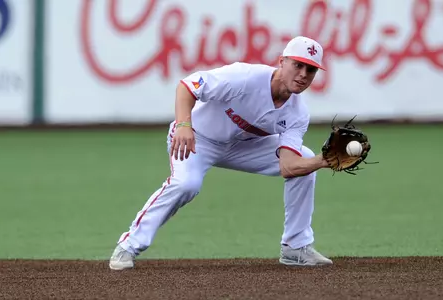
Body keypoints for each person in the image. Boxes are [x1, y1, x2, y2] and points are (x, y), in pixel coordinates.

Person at [109, 36, 334, 270]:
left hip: (243, 147)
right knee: (186, 185)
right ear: (282, 62)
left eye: (311, 69)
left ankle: (295, 247)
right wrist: (184, 125)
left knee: (305, 160)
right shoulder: (245, 77)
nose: (303, 75)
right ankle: (128, 246)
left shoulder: (298, 113)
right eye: (298, 65)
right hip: (198, 138)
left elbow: (288, 166)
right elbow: (187, 86)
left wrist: (321, 161)